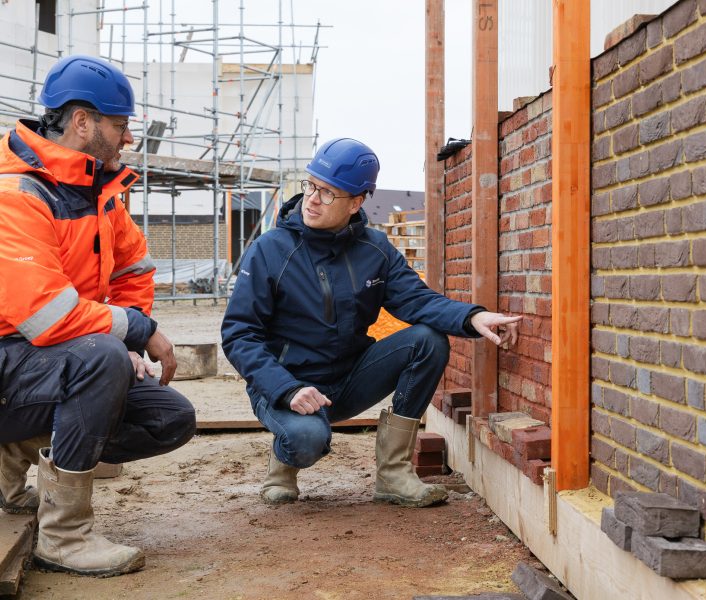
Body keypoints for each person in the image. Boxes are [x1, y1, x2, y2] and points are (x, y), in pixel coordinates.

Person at [222, 138, 521, 508]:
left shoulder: (375, 250)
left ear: (357, 202)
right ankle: (285, 460)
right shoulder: (271, 250)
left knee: (428, 340)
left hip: (346, 381)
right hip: (286, 386)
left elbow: (418, 301)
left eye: (328, 193)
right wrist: (285, 389)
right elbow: (239, 335)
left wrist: (474, 316)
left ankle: (393, 474)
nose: (312, 199)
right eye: (311, 185)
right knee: (306, 440)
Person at [0, 55, 196, 577]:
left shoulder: (98, 191)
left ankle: (15, 452)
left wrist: (127, 344)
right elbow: (44, 317)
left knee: (170, 418)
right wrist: (134, 334)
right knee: (101, 357)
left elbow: (134, 269)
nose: (128, 137)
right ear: (83, 122)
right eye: (120, 124)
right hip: (11, 357)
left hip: (54, 357)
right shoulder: (15, 194)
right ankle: (63, 536)